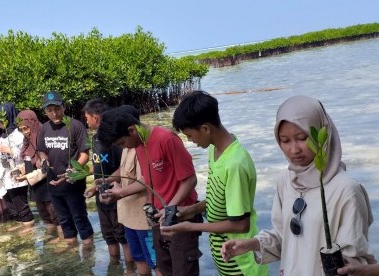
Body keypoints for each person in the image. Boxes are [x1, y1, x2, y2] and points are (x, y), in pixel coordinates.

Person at [220, 95, 376, 275]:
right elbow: (283, 237)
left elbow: (354, 260)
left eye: (302, 138)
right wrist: (251, 244)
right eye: (285, 141)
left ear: (322, 133)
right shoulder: (286, 180)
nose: (294, 149)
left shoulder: (347, 189)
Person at [159, 90, 268, 275]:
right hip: (226, 259)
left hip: (242, 265)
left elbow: (241, 224)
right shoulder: (215, 150)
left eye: (190, 135)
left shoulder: (235, 164)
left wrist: (189, 226)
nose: (190, 141)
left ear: (205, 129)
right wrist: (190, 211)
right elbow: (220, 200)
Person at [97, 105, 202, 276]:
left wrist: (170, 208)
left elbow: (190, 179)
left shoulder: (166, 139)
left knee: (184, 270)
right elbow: (148, 178)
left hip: (180, 217)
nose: (124, 148)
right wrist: (115, 185)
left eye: (122, 143)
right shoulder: (139, 145)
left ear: (131, 130)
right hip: (157, 220)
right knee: (164, 269)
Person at [98, 105, 158, 276]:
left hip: (143, 220)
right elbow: (123, 170)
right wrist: (108, 180)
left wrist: (120, 192)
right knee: (138, 257)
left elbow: (145, 181)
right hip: (127, 216)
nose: (122, 145)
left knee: (154, 262)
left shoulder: (142, 146)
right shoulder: (127, 146)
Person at [82, 99, 135, 274]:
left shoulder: (114, 138)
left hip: (117, 194)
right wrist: (90, 181)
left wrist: (109, 183)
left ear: (95, 117)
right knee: (109, 236)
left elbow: (125, 166)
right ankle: (114, 269)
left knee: (123, 237)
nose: (86, 120)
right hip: (101, 194)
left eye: (87, 117)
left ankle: (129, 269)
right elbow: (98, 165)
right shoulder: (95, 138)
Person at [36, 91, 94, 246]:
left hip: (73, 181)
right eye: (50, 110)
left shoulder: (75, 126)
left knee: (79, 217)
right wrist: (43, 160)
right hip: (53, 182)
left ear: (64, 107)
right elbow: (41, 150)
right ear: (45, 111)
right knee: (63, 219)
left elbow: (85, 154)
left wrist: (74, 171)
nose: (54, 113)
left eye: (57, 108)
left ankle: (89, 254)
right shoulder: (44, 129)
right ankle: (72, 251)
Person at [0, 102, 34, 228]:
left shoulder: (19, 134)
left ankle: (29, 227)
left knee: (21, 205)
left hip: (16, 175)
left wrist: (10, 150)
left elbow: (25, 154)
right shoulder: (3, 136)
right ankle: (20, 225)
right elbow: (3, 155)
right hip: (5, 176)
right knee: (12, 206)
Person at [15, 110, 59, 233]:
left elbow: (48, 164)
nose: (24, 132)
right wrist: (22, 170)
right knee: (44, 214)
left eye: (26, 128)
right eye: (21, 130)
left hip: (47, 182)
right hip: (35, 184)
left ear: (33, 124)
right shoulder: (27, 141)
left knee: (55, 213)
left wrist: (27, 177)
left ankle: (64, 241)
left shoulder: (45, 136)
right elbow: (28, 159)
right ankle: (50, 237)